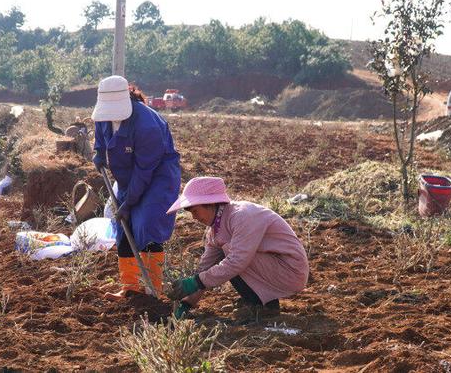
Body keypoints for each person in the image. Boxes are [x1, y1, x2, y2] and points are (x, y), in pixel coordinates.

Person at [165, 176, 309, 320]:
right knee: (224, 257)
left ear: (210, 203)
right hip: (270, 268)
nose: (194, 218)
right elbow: (204, 269)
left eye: (195, 211)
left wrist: (195, 282)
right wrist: (187, 303)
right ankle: (254, 301)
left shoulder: (242, 216)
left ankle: (262, 307)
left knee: (231, 257)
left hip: (289, 270)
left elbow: (237, 261)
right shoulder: (215, 230)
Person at [92, 75, 181, 300]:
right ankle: (130, 287)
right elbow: (101, 137)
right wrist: (99, 153)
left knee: (147, 224)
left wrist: (129, 203)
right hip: (127, 177)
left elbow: (144, 171)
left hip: (157, 177)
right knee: (124, 228)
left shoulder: (147, 124)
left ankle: (153, 289)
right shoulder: (103, 115)